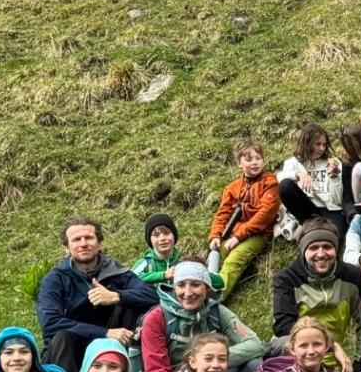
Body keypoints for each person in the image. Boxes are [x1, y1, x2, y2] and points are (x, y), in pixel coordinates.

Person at [36, 217, 157, 372]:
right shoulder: (55, 279)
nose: (83, 243)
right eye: (76, 239)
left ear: (99, 243)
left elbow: (153, 296)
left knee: (133, 304)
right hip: (71, 349)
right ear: (67, 248)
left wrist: (117, 296)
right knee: (63, 336)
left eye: (89, 238)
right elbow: (50, 323)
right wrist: (105, 333)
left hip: (115, 344)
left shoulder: (116, 271)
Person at [139, 260, 264, 372]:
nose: (188, 293)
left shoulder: (217, 312)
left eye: (195, 284)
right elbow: (157, 370)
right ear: (174, 288)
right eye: (181, 285)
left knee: (254, 366)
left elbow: (255, 344)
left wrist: (213, 360)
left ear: (207, 288)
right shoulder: (156, 318)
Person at [271, 219, 361, 372]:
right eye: (313, 248)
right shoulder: (287, 279)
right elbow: (283, 326)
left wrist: (359, 369)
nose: (321, 254)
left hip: (332, 363)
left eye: (327, 247)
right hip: (292, 356)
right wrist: (332, 344)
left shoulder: (352, 277)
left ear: (336, 249)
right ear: (303, 250)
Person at [207, 139, 281, 298]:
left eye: (258, 158)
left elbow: (264, 215)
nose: (255, 162)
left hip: (258, 234)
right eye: (248, 159)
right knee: (217, 255)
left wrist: (238, 236)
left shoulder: (270, 183)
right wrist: (215, 235)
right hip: (233, 233)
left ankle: (216, 299)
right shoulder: (232, 188)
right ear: (239, 163)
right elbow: (222, 213)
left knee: (234, 260)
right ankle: (201, 292)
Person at [276, 123, 345, 237]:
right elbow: (281, 179)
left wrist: (334, 177)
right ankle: (307, 226)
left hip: (330, 211)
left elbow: (338, 201)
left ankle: (314, 231)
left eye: (324, 144)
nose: (322, 148)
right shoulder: (294, 163)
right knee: (285, 185)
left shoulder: (333, 163)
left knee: (332, 237)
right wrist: (299, 174)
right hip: (307, 211)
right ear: (307, 142)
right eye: (318, 144)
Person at [131, 213, 222, 290]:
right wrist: (163, 275)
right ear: (150, 240)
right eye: (156, 235)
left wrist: (197, 271)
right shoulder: (146, 262)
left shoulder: (184, 261)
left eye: (166, 233)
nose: (162, 238)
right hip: (151, 303)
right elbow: (130, 279)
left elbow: (220, 283)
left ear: (174, 236)